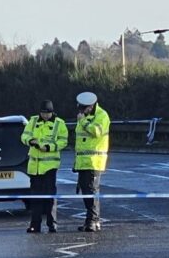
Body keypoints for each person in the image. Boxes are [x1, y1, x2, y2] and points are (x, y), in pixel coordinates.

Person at [21, 99, 69, 233]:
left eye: (47, 113)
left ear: (52, 112)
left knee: (49, 197)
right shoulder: (33, 121)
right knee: (35, 199)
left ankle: (52, 224)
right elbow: (24, 136)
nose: (45, 116)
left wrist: (48, 147)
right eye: (43, 113)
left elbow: (63, 141)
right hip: (34, 167)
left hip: (49, 167)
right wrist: (30, 141)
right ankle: (35, 225)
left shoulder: (59, 124)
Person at [73, 91, 111, 232]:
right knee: (85, 191)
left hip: (94, 161)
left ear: (91, 106)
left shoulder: (102, 115)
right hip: (83, 161)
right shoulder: (85, 116)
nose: (82, 111)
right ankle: (89, 220)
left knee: (92, 190)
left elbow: (96, 132)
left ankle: (94, 221)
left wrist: (82, 121)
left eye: (84, 108)